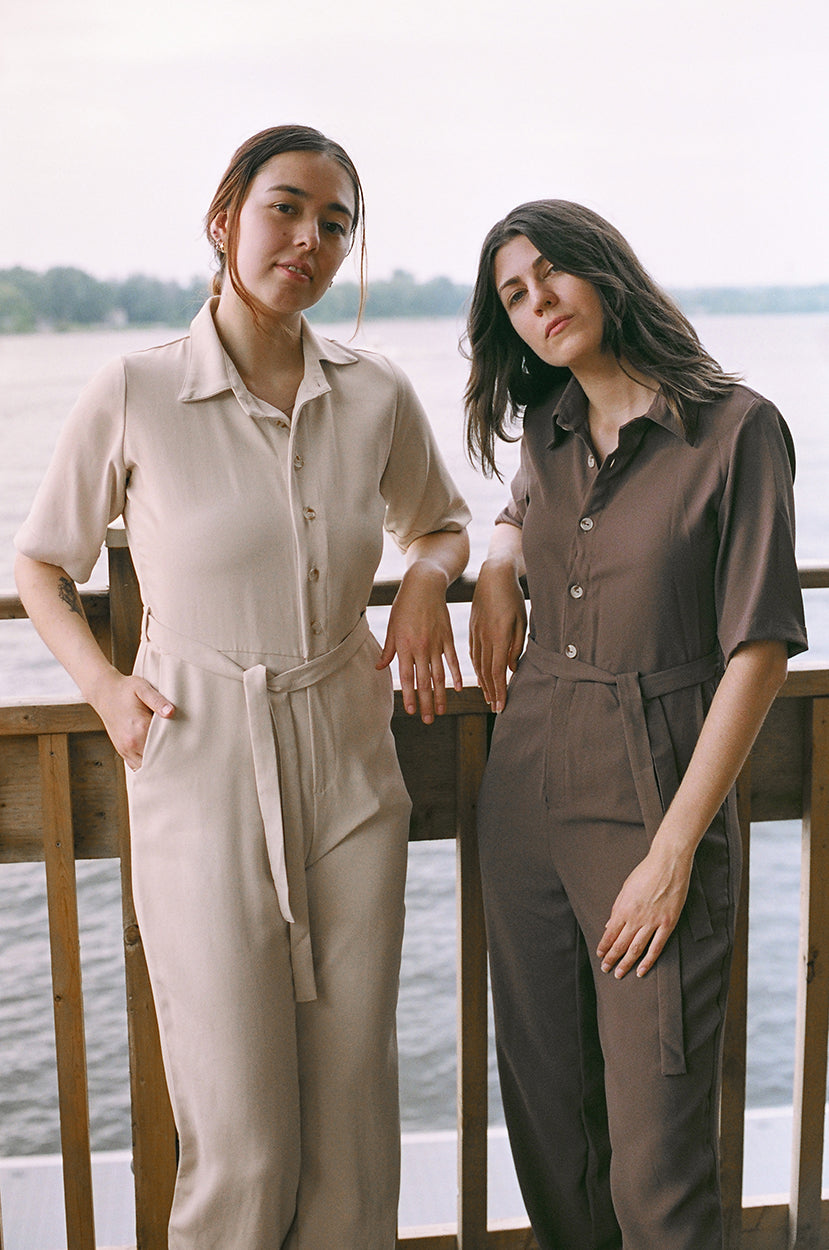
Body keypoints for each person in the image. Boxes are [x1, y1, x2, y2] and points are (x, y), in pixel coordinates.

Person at [15, 125, 470, 1250]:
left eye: (335, 223)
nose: (309, 239)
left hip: (353, 762)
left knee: (355, 1127)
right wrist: (108, 690)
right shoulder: (137, 386)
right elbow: (37, 564)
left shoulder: (376, 394)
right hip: (199, 755)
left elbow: (445, 523)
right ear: (225, 220)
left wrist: (421, 578)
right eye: (286, 209)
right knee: (243, 1132)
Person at [464, 200, 806, 1250]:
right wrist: (492, 558)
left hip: (654, 793)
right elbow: (528, 508)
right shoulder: (549, 429)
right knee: (555, 1139)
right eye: (514, 295)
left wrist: (672, 852)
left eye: (552, 274)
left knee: (654, 1161)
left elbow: (756, 647)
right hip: (524, 796)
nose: (538, 304)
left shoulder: (734, 429)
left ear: (605, 273)